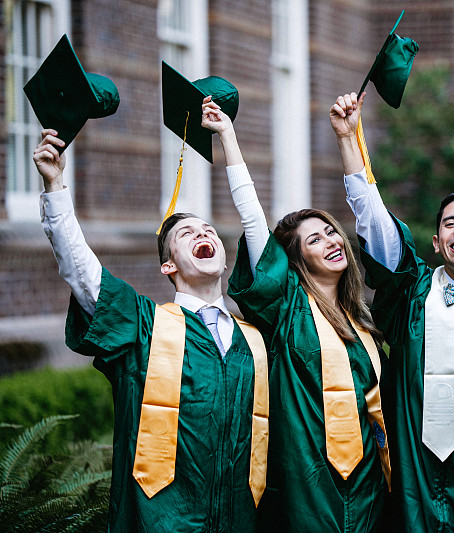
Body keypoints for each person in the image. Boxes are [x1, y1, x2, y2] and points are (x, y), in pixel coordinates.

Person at [35, 96, 268, 532]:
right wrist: (55, 189)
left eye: (209, 230)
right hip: (158, 522)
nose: (202, 233)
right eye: (186, 233)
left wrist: (229, 140)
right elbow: (84, 275)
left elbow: (263, 243)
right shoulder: (146, 327)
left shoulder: (255, 341)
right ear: (169, 265)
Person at [330, 92, 454, 532]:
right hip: (417, 480)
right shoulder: (412, 294)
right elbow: (374, 224)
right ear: (436, 243)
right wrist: (349, 140)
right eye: (449, 224)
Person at [226, 173, 390, 529]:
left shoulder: (361, 324)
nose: (331, 241)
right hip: (307, 484)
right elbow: (255, 227)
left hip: (367, 486)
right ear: (296, 259)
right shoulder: (286, 309)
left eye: (332, 232)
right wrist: (228, 138)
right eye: (315, 239)